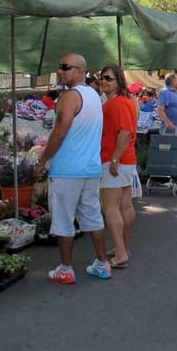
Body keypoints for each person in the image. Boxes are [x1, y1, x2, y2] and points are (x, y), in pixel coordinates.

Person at [35, 54, 110, 283]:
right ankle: (102, 263)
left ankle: (66, 269)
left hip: (67, 170)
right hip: (90, 168)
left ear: (80, 71)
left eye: (65, 67)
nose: (60, 71)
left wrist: (42, 160)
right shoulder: (94, 96)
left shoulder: (70, 96)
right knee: (92, 217)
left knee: (63, 219)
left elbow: (60, 131)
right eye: (59, 67)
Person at [98, 64, 138, 269]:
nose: (104, 81)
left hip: (115, 161)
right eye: (102, 78)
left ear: (118, 81)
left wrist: (114, 159)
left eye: (108, 78)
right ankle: (123, 247)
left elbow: (125, 132)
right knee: (124, 205)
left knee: (111, 207)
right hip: (124, 160)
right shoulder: (124, 101)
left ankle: (121, 252)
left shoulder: (118, 104)